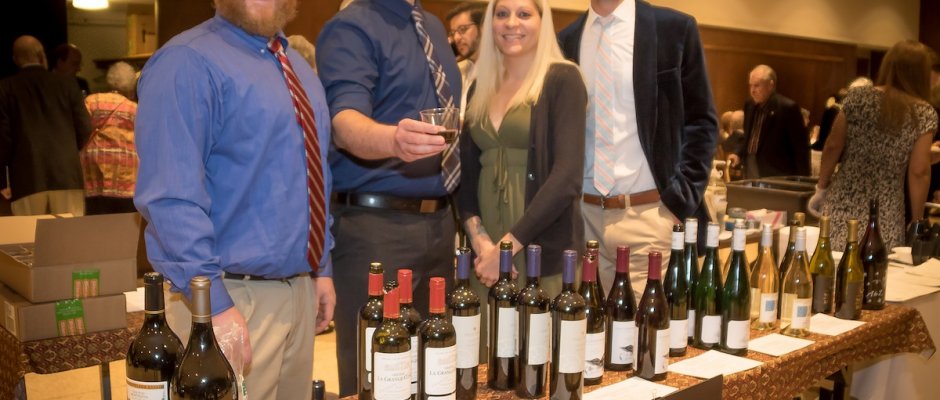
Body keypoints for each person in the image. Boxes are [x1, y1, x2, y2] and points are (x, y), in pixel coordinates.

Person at [134, 0, 335, 398]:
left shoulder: (298, 67)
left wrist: (320, 268)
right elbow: (170, 196)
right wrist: (213, 304)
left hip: (299, 292)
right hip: (228, 297)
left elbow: (311, 175)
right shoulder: (185, 62)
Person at [316, 0, 461, 395]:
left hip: (439, 223)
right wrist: (395, 140)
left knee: (434, 367)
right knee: (378, 373)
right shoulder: (352, 27)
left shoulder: (432, 26)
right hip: (376, 229)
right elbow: (344, 123)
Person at [558, 0, 718, 294]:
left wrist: (679, 200)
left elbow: (701, 122)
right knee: (586, 323)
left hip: (648, 217)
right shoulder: (565, 41)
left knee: (641, 324)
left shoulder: (674, 30)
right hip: (583, 221)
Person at [457, 0, 586, 357]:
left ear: (543, 22)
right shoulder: (479, 86)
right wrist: (481, 243)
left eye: (524, 14)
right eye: (502, 14)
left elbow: (567, 177)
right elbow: (466, 174)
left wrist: (506, 249)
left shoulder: (563, 79)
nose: (511, 23)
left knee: (537, 363)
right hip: (485, 257)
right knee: (484, 362)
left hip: (536, 248)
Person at [808, 39, 937, 250]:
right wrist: (917, 219)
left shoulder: (857, 97)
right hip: (885, 210)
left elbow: (833, 145)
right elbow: (919, 170)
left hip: (842, 201)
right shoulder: (923, 112)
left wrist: (821, 187)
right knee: (878, 265)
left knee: (834, 261)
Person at [0, 35, 92, 217]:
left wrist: (4, 179)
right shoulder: (67, 83)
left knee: (29, 234)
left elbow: (3, 138)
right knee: (69, 233)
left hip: (27, 179)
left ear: (15, 59)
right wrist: (68, 151)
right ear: (42, 56)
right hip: (67, 176)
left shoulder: (5, 87)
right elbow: (85, 128)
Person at [728, 64, 809, 179]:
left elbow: (800, 149)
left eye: (757, 86)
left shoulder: (787, 108)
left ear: (770, 85)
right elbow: (748, 136)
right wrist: (737, 153)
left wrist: (803, 180)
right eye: (751, 85)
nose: (752, 90)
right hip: (750, 167)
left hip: (776, 172)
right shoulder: (749, 105)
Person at [80, 61, 139, 215]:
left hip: (94, 172)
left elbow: (81, 129)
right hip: (127, 177)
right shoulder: (136, 109)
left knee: (95, 220)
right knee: (124, 222)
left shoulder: (92, 101)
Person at [446, 1, 487, 119]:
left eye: (463, 29)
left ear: (484, 27)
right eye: (453, 33)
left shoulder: (503, 72)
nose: (456, 38)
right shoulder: (458, 70)